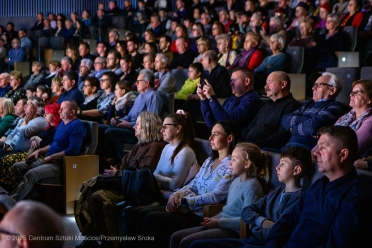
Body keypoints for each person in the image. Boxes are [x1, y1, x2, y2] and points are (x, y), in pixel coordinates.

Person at [261, 126, 372, 247]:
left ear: (343, 154)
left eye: (323, 147)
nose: (315, 153)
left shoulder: (356, 197)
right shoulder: (319, 185)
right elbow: (286, 221)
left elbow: (336, 244)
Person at [188, 146, 312, 248]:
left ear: (296, 170)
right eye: (278, 163)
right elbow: (247, 211)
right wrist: (262, 222)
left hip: (261, 243)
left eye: (283, 164)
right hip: (251, 240)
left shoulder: (298, 199)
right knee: (196, 245)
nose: (277, 167)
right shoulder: (276, 192)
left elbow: (278, 231)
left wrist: (255, 226)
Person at [141, 120, 238, 247]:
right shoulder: (209, 160)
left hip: (202, 215)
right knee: (142, 213)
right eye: (211, 134)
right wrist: (175, 195)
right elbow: (193, 185)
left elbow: (216, 196)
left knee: (151, 218)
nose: (210, 138)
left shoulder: (232, 165)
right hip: (186, 208)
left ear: (229, 138)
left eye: (215, 134)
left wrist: (183, 201)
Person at [75, 112, 165, 248]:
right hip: (125, 184)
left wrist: (117, 174)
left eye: (138, 124)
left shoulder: (156, 146)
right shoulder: (138, 145)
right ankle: (94, 237)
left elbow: (143, 175)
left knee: (98, 195)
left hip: (138, 191)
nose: (134, 126)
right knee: (90, 186)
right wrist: (115, 170)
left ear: (147, 126)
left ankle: (110, 241)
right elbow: (124, 164)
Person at [170, 142, 269, 248]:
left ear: (246, 164)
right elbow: (228, 210)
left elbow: (247, 221)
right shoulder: (236, 181)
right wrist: (212, 220)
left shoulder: (252, 187)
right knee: (176, 237)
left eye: (234, 159)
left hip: (235, 230)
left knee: (187, 242)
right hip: (222, 224)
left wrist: (219, 222)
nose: (230, 163)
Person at [11, 100, 86, 201]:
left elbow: (73, 150)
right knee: (16, 167)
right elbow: (53, 144)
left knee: (31, 174)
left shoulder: (77, 126)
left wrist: (52, 157)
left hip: (59, 164)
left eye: (62, 109)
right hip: (48, 159)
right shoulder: (62, 124)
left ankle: (12, 201)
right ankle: (32, 196)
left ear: (72, 112)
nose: (59, 111)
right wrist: (39, 151)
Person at [104, 69, 163, 164]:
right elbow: (130, 115)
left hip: (139, 132)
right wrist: (118, 121)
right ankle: (107, 161)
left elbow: (151, 122)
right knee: (100, 128)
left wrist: (128, 125)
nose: (136, 84)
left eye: (138, 81)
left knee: (109, 132)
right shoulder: (139, 96)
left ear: (147, 83)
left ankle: (122, 163)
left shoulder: (153, 97)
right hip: (130, 127)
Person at [0, 103, 61, 192]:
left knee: (6, 160)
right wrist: (33, 139)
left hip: (40, 155)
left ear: (54, 114)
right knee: (7, 161)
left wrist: (35, 137)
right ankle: (15, 190)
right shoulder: (47, 127)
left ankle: (17, 191)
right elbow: (12, 133)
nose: (45, 115)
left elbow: (45, 144)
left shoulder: (47, 125)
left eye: (47, 113)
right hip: (30, 151)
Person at [282, 72, 347, 150]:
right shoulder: (308, 104)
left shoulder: (336, 107)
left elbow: (312, 126)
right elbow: (285, 119)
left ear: (332, 90)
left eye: (319, 85)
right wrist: (308, 120)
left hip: (306, 151)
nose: (313, 88)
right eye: (314, 85)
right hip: (288, 148)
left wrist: (293, 129)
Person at [243, 71, 301, 150]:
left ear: (283, 84)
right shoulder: (266, 106)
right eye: (266, 83)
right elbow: (251, 126)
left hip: (264, 150)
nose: (265, 87)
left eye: (270, 82)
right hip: (249, 146)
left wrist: (254, 145)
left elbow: (281, 136)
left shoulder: (292, 106)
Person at [199, 67, 263, 130]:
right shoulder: (230, 99)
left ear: (247, 81)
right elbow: (211, 123)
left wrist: (212, 97)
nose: (230, 83)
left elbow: (226, 124)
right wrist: (203, 99)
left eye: (234, 80)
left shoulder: (252, 100)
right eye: (231, 80)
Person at [154, 111, 197, 192]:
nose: (161, 131)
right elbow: (157, 173)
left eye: (165, 127)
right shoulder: (166, 147)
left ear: (178, 129)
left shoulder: (185, 151)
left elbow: (175, 185)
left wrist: (150, 176)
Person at [332, 80, 372, 156]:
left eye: (357, 93)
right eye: (352, 92)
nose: (351, 95)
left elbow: (354, 146)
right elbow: (329, 135)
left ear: (369, 99)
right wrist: (313, 152)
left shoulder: (370, 120)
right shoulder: (345, 117)